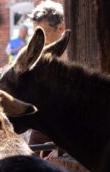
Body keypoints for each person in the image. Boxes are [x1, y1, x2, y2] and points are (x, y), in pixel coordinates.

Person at [27, 0, 66, 157]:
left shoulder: (72, 56)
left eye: (42, 32)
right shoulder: (40, 53)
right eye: (35, 32)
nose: (38, 38)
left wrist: (62, 145)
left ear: (60, 28)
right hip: (42, 125)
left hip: (66, 126)